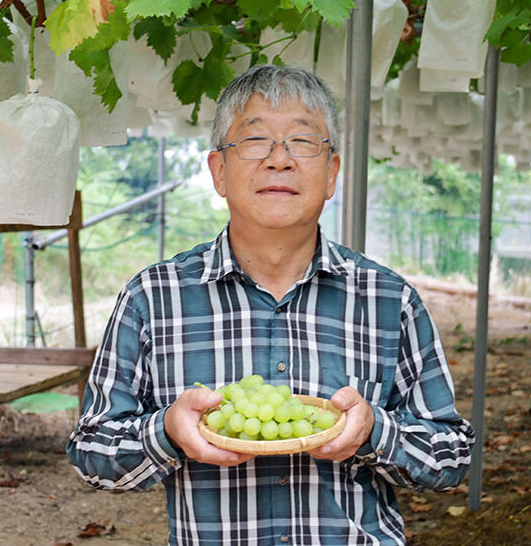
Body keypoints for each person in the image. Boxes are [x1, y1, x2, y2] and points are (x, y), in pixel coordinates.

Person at [67, 64, 474, 545]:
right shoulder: (154, 298)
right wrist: (167, 432)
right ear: (219, 171)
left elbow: (451, 456)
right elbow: (92, 451)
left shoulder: (388, 300)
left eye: (302, 142)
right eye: (255, 141)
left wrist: (375, 431)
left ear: (332, 173)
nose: (279, 161)